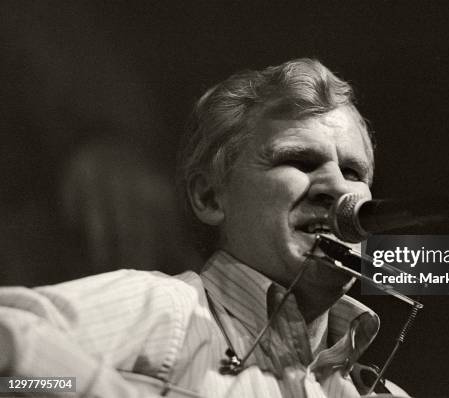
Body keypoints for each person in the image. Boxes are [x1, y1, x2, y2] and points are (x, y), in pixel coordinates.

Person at [0, 59, 405, 397]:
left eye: (353, 171)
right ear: (210, 198)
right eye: (300, 161)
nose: (338, 188)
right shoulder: (169, 309)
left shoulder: (373, 390)